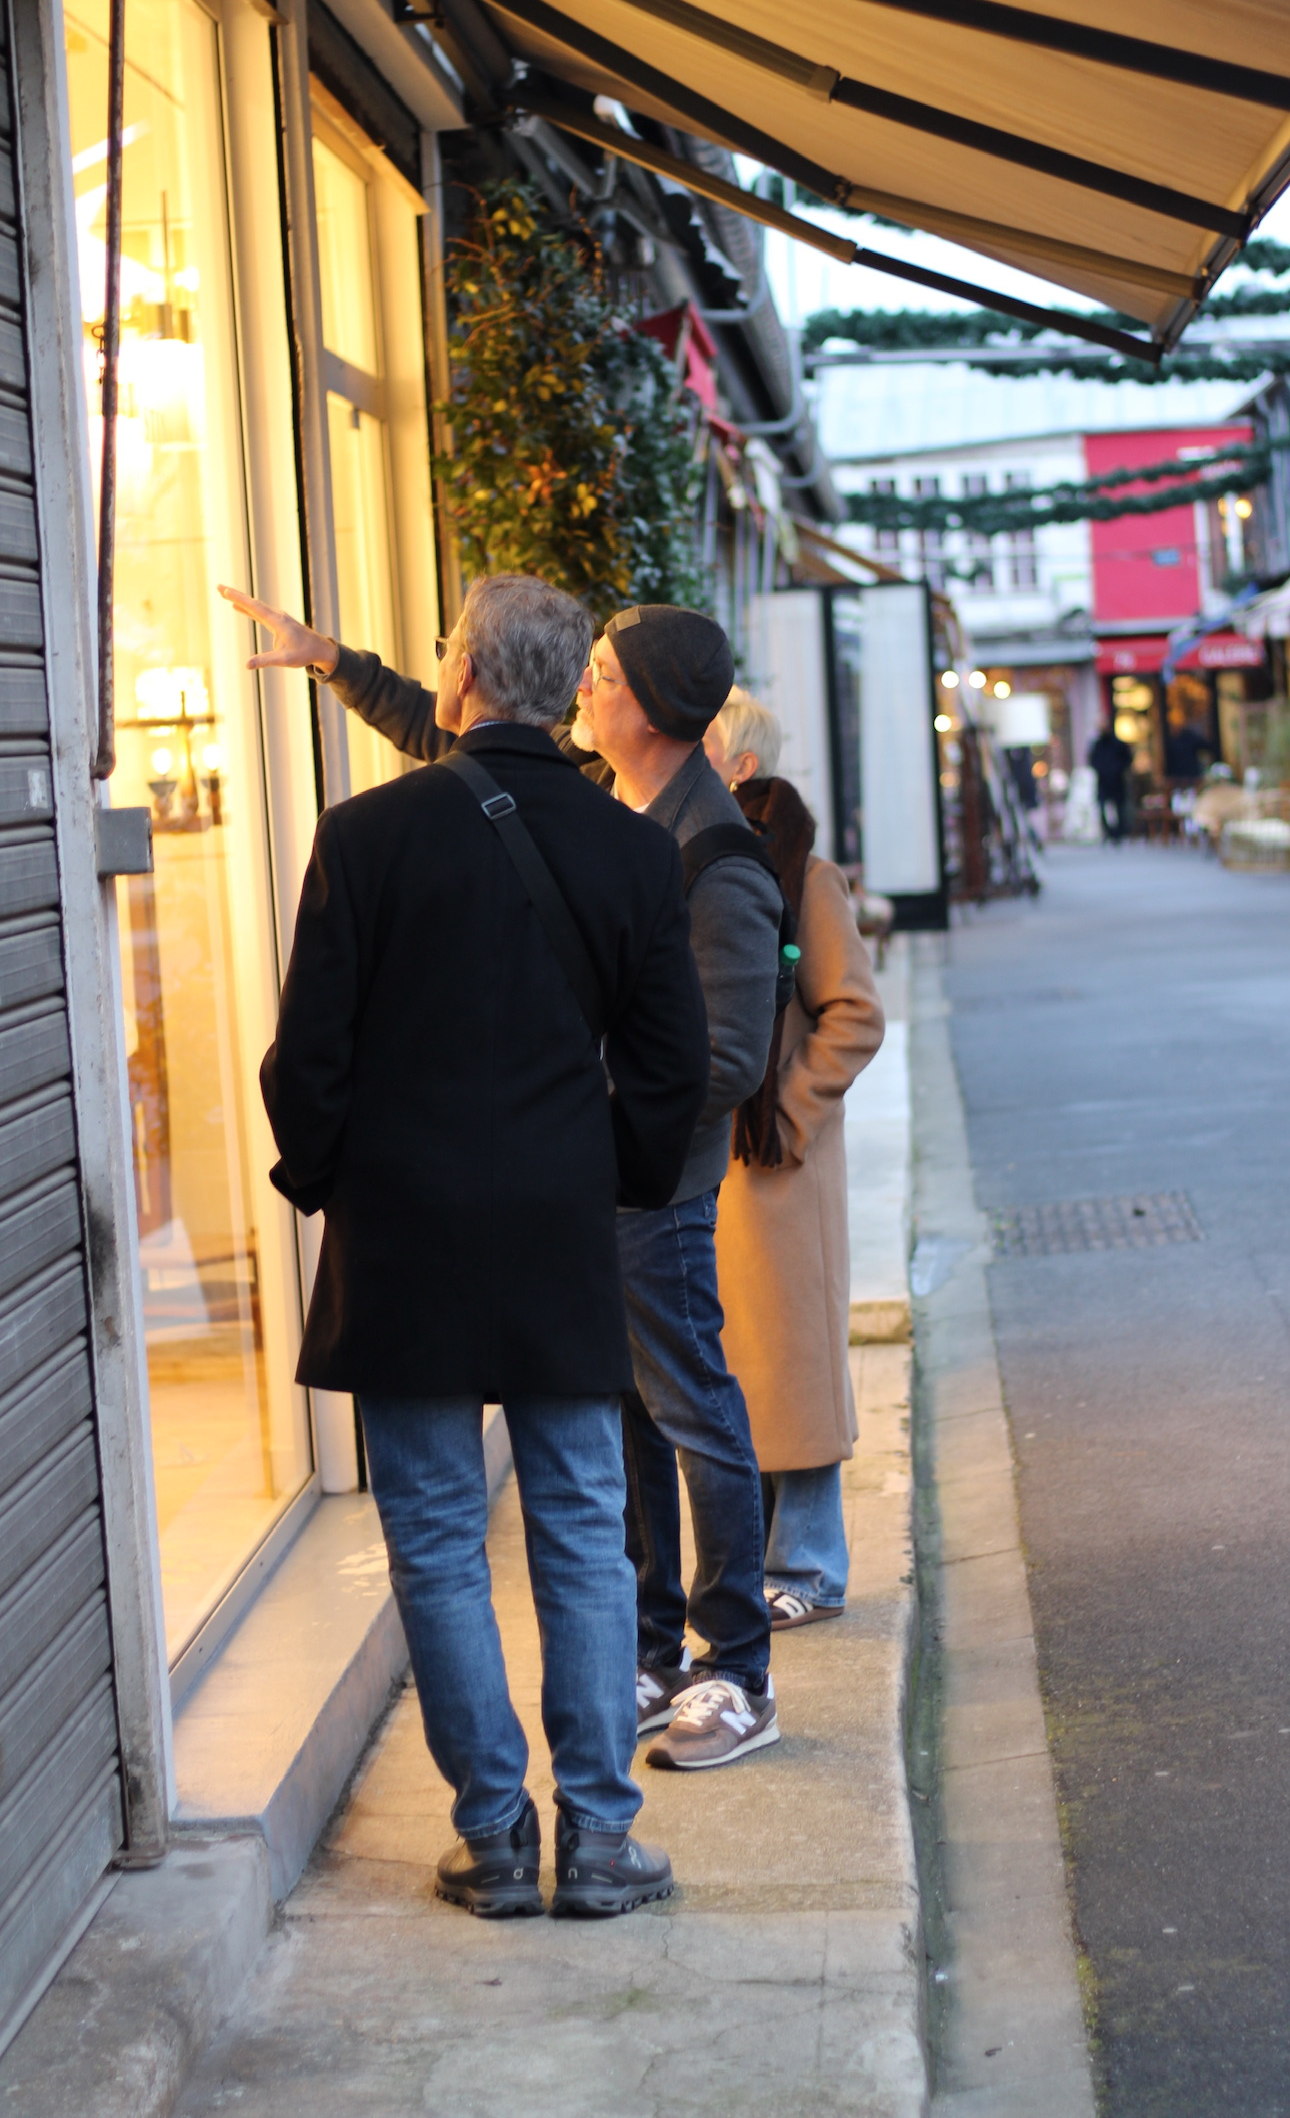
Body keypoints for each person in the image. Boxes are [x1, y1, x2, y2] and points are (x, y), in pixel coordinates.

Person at [221, 585, 785, 1772]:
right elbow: (673, 1055)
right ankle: (598, 1822)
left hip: (459, 1227)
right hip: (572, 1219)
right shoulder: (622, 834)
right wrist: (338, 664)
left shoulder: (372, 836)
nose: (594, 693)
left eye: (613, 680)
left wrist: (331, 1183)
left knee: (458, 1525)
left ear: (466, 673)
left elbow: (307, 1060)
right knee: (582, 1516)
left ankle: (519, 1807)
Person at [704, 689, 885, 1626]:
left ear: (741, 765)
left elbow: (855, 1013)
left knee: (792, 1372)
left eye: (700, 741)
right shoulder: (686, 857)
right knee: (738, 1374)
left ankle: (808, 1569)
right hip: (710, 1166)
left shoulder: (802, 876)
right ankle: (763, 1565)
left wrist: (787, 1113)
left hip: (777, 1169)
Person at [1088, 725, 1135, 844]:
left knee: (1119, 807)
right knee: (1102, 806)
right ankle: (1108, 832)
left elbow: (1127, 759)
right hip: (1103, 781)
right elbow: (1092, 760)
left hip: (1117, 780)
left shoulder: (1118, 744)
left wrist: (1118, 769)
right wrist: (1101, 770)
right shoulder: (1098, 744)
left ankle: (1118, 833)